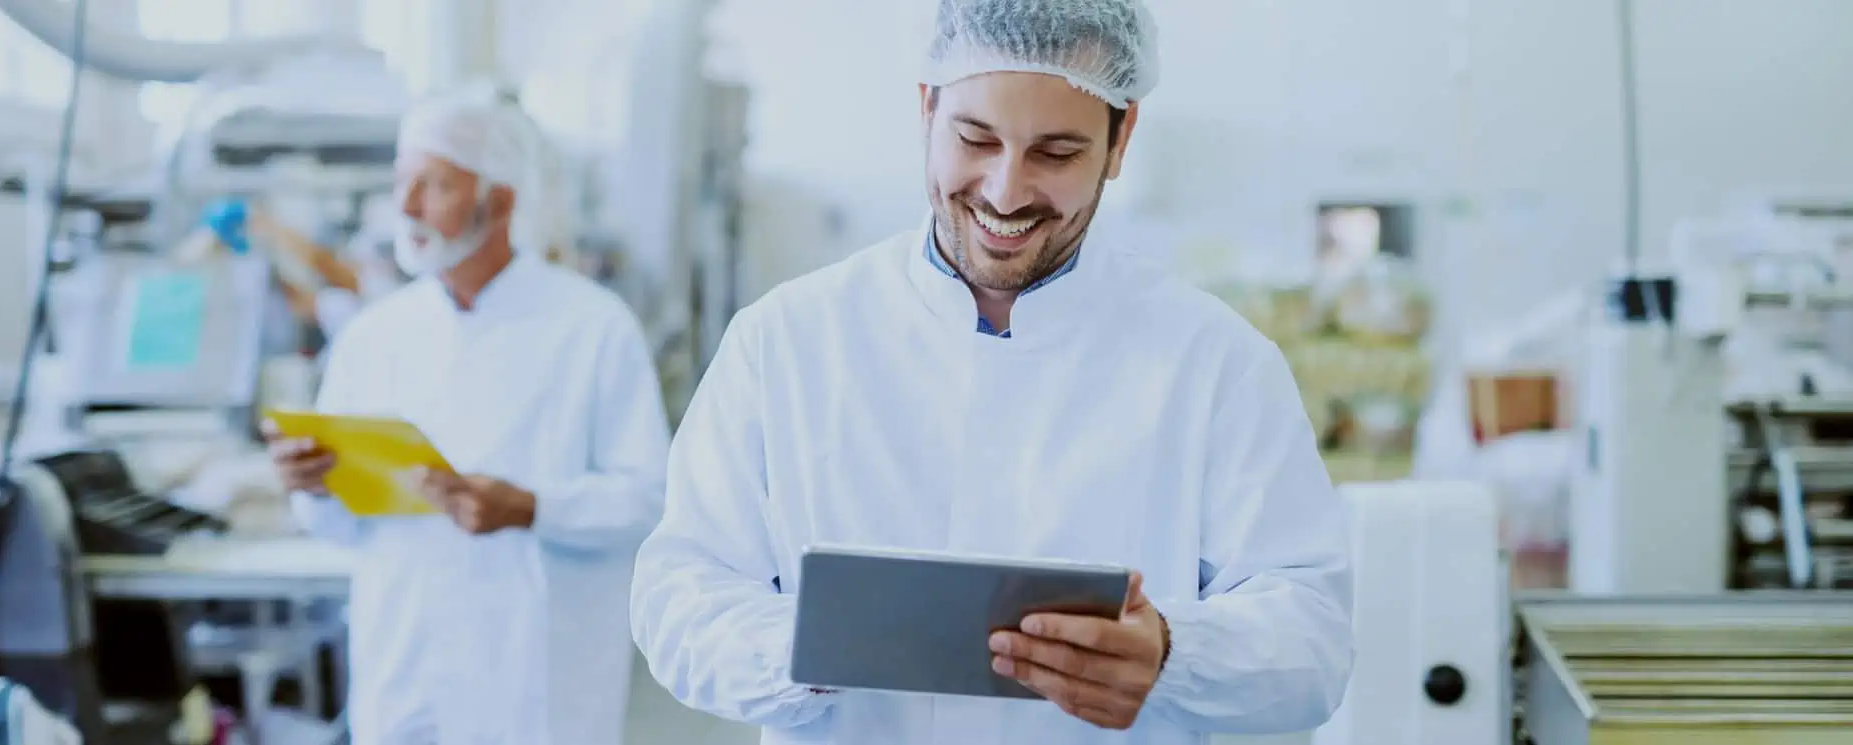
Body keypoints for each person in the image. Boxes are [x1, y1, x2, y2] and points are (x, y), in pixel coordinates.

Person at [629, 1, 1353, 743]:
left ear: (1121, 136)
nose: (1006, 192)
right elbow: (681, 594)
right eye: (976, 138)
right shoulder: (785, 342)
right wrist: (803, 646)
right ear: (926, 107)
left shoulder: (1216, 365)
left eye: (1057, 152)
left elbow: (1314, 639)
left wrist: (1173, 652)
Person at [264, 87, 672, 745]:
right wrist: (311, 483)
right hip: (404, 668)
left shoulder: (592, 327)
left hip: (534, 680)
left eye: (433, 185)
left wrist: (533, 507)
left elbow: (650, 501)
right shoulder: (374, 335)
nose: (406, 207)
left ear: (499, 200)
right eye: (402, 183)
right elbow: (340, 527)